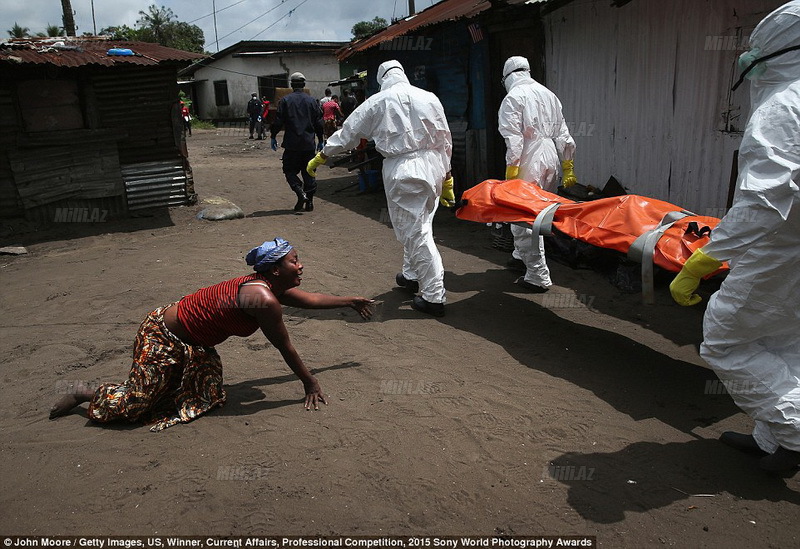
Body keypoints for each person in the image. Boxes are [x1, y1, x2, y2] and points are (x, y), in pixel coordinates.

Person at [49, 238, 374, 432]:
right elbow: (284, 346)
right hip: (161, 337)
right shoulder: (263, 298)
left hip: (195, 345)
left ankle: (164, 384)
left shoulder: (267, 287)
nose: (300, 266)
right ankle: (85, 392)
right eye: (294, 261)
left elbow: (311, 300)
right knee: (135, 407)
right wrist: (310, 382)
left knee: (202, 395)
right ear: (276, 270)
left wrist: (350, 301)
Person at [669, 0, 800, 473]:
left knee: (726, 339)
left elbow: (763, 203)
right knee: (784, 341)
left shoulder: (783, 107)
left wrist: (704, 258)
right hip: (792, 248)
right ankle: (774, 441)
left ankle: (794, 432)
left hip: (780, 248)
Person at [306, 60, 454, 317]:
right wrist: (448, 177)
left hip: (405, 170)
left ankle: (433, 296)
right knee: (420, 224)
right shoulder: (429, 98)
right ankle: (411, 275)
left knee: (415, 232)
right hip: (434, 167)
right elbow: (445, 138)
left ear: (382, 78)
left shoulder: (379, 101)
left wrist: (323, 154)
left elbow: (349, 133)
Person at [498, 56, 577, 293]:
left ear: (508, 76)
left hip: (528, 159)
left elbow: (513, 139)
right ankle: (519, 257)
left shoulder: (513, 98)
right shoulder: (549, 95)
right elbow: (563, 133)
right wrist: (568, 165)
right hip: (550, 156)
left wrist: (512, 169)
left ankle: (537, 276)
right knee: (540, 212)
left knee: (524, 218)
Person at [270, 73, 324, 212]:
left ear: (292, 85)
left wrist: (273, 136)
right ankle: (309, 203)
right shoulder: (312, 101)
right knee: (309, 172)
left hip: (292, 144)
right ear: (304, 84)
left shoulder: (285, 101)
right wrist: (321, 140)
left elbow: (278, 121)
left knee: (289, 170)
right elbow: (319, 123)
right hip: (308, 144)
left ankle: (300, 192)